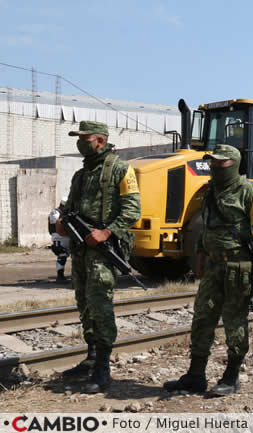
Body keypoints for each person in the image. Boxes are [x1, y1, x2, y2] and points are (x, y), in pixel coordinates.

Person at [163, 144, 253, 397]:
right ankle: (195, 376)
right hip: (214, 266)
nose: (214, 166)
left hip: (239, 268)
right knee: (202, 319)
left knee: (234, 322)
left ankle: (231, 376)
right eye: (212, 162)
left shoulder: (248, 191)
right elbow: (207, 227)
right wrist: (201, 254)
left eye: (219, 162)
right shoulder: (210, 191)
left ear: (233, 164)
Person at [55, 121, 141, 393]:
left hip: (105, 250)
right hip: (81, 249)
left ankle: (103, 366)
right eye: (78, 138)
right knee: (84, 302)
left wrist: (106, 232)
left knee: (100, 303)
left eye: (85, 138)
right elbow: (70, 208)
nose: (80, 143)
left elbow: (132, 210)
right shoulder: (81, 174)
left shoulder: (120, 169)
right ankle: (91, 357)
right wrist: (61, 223)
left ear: (100, 141)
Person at [48, 197, 71, 283]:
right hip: (59, 237)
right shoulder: (55, 212)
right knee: (62, 255)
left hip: (69, 236)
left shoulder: (67, 212)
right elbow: (58, 223)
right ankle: (60, 276)